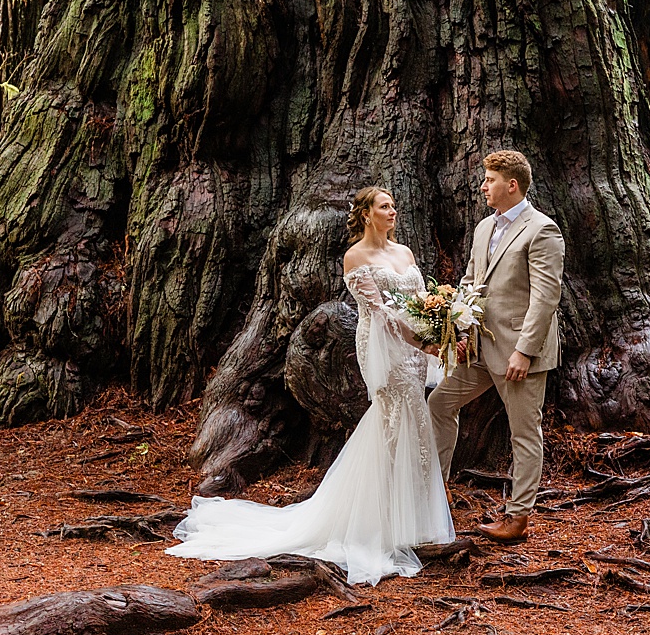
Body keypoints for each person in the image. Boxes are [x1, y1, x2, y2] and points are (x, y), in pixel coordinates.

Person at [166, 187, 453, 584]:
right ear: (367, 214)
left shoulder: (404, 253)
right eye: (385, 206)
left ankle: (415, 524)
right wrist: (422, 340)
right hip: (387, 350)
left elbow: (420, 302)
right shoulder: (356, 257)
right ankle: (379, 526)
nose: (393, 211)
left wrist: (439, 329)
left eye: (394, 205)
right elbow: (381, 312)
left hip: (415, 351)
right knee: (390, 424)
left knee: (415, 424)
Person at [428, 149, 565, 543]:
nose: (483, 187)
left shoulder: (542, 230)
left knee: (524, 432)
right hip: (480, 350)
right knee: (439, 403)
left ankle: (517, 517)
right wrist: (457, 331)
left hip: (520, 354)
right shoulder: (483, 228)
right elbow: (472, 281)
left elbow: (545, 297)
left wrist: (525, 350)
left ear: (512, 185)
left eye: (489, 180)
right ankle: (436, 496)